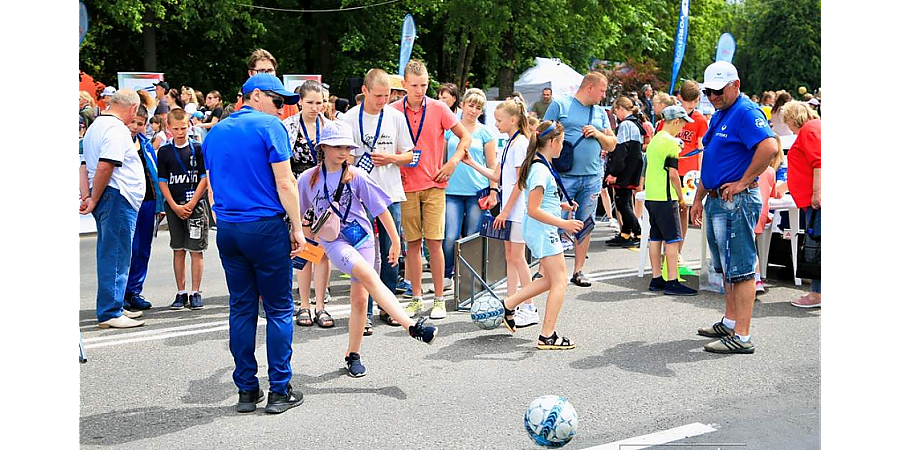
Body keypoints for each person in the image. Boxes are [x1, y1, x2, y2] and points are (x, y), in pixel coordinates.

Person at [297, 120, 439, 377]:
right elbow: (299, 216)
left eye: (347, 147)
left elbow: (380, 210)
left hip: (364, 239)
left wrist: (396, 241)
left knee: (361, 299)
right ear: (323, 148)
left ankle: (353, 355)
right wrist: (302, 244)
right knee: (368, 275)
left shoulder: (357, 175)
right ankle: (410, 326)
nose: (343, 152)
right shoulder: (307, 179)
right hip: (334, 242)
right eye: (337, 146)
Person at [202, 73, 305, 414]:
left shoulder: (213, 132)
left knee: (242, 308)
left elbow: (214, 185)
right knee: (278, 310)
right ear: (256, 95)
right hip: (264, 226)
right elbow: (286, 182)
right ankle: (279, 390)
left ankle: (247, 390)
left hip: (229, 227)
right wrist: (298, 227)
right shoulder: (269, 127)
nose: (282, 110)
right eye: (278, 102)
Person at [690, 61, 779, 354]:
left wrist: (743, 182)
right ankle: (730, 323)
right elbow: (712, 159)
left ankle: (741, 335)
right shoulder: (722, 112)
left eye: (718, 91)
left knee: (740, 269)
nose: (713, 96)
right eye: (708, 91)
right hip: (719, 199)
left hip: (735, 200)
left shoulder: (745, 111)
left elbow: (769, 147)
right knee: (727, 268)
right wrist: (698, 198)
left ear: (735, 85)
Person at [391, 59, 473, 320]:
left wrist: (452, 161)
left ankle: (438, 298)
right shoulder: (393, 110)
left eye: (424, 85)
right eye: (414, 85)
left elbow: (465, 136)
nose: (420, 90)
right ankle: (416, 296)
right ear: (404, 85)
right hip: (405, 186)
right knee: (412, 244)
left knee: (435, 243)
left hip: (435, 184)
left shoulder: (438, 108)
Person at [498, 120, 583, 349]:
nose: (563, 147)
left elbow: (540, 202)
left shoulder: (538, 165)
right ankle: (547, 335)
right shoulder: (540, 169)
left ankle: (509, 304)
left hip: (541, 228)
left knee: (550, 279)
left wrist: (560, 207)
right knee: (560, 281)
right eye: (562, 142)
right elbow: (534, 209)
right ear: (553, 142)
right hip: (542, 229)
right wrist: (564, 224)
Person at [343, 69, 415, 333]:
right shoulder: (349, 118)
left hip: (389, 194)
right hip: (359, 196)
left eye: (386, 96)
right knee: (362, 254)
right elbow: (342, 156)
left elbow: (410, 155)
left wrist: (392, 159)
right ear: (364, 90)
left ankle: (388, 307)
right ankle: (364, 312)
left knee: (390, 253)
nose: (383, 100)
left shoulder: (396, 117)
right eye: (377, 96)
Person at [461, 98, 540, 328]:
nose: (495, 124)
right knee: (510, 257)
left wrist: (504, 212)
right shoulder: (509, 143)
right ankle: (512, 303)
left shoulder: (520, 144)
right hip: (511, 211)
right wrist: (471, 163)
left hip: (517, 211)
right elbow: (497, 176)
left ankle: (529, 306)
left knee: (518, 258)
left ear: (513, 120)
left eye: (499, 120)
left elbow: (520, 182)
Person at [79, 89, 147, 329]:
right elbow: (106, 166)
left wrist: (88, 195)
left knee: (111, 252)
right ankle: (110, 311)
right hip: (116, 196)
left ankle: (114, 304)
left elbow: (85, 164)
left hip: (109, 196)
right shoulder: (116, 129)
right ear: (131, 109)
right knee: (116, 254)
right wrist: (95, 198)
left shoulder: (96, 126)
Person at [542, 72, 617, 287]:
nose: (604, 95)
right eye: (602, 90)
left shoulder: (600, 113)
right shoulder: (560, 105)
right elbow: (541, 134)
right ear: (590, 87)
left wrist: (598, 134)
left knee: (586, 223)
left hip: (592, 176)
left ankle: (578, 270)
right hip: (564, 176)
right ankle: (545, 270)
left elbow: (612, 144)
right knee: (554, 220)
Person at [283, 81, 335, 328]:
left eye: (320, 102)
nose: (316, 107)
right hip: (299, 192)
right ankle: (304, 304)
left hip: (326, 193)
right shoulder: (288, 127)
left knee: (323, 252)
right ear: (300, 101)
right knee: (304, 249)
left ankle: (321, 306)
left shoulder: (332, 127)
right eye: (311, 102)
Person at [441, 89, 497, 286]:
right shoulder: (450, 130)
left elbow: (492, 166)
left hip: (476, 192)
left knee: (473, 237)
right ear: (462, 105)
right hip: (451, 192)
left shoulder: (486, 133)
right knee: (449, 236)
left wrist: (493, 191)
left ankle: (468, 276)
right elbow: (442, 159)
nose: (473, 110)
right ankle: (447, 274)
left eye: (478, 107)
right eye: (470, 105)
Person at [156, 108, 210, 310]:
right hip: (174, 205)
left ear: (190, 126)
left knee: (196, 249)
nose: (181, 132)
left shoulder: (198, 148)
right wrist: (173, 205)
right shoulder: (164, 151)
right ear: (168, 128)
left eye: (184, 128)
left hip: (195, 205)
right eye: (176, 128)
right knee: (178, 249)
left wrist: (191, 203)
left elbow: (204, 178)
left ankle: (196, 291)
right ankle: (181, 292)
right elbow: (162, 181)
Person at [644, 105, 698, 296]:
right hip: (666, 197)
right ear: (676, 121)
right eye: (682, 124)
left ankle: (656, 278)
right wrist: (682, 198)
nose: (683, 128)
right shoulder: (671, 142)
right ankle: (673, 281)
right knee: (673, 240)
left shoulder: (655, 139)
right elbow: (674, 174)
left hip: (651, 195)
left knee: (655, 237)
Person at [658, 81, 709, 259]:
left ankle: (677, 251)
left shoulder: (700, 120)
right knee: (666, 210)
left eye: (694, 102)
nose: (691, 106)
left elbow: (701, 147)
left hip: (688, 173)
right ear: (680, 98)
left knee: (683, 210)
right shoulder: (670, 117)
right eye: (688, 102)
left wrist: (701, 173)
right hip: (669, 169)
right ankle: (667, 250)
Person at [123, 106, 165, 311]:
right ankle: (120, 292)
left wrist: (160, 203)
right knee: (125, 248)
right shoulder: (119, 143)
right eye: (133, 122)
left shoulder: (146, 144)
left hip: (148, 202)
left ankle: (134, 291)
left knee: (142, 249)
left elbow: (155, 174)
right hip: (128, 201)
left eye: (140, 124)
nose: (136, 127)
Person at [782, 101, 821, 308]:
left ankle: (817, 294)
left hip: (814, 202)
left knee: (816, 246)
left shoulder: (809, 130)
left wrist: (816, 193)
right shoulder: (814, 128)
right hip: (810, 199)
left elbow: (819, 162)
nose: (787, 126)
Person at [604, 96, 645, 247]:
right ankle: (626, 233)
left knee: (622, 203)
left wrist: (614, 172)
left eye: (616, 111)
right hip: (633, 168)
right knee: (625, 200)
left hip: (625, 170)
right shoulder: (636, 124)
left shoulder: (626, 125)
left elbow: (621, 150)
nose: (616, 115)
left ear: (621, 109)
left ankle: (638, 232)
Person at [753, 136, 785, 292]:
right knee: (751, 246)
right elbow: (775, 193)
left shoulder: (748, 167)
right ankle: (757, 278)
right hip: (762, 214)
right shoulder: (771, 171)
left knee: (746, 247)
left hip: (747, 211)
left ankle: (755, 278)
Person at [232, 48, 300, 120]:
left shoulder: (289, 103)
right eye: (261, 71)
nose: (267, 75)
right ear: (250, 74)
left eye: (270, 70)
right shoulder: (242, 103)